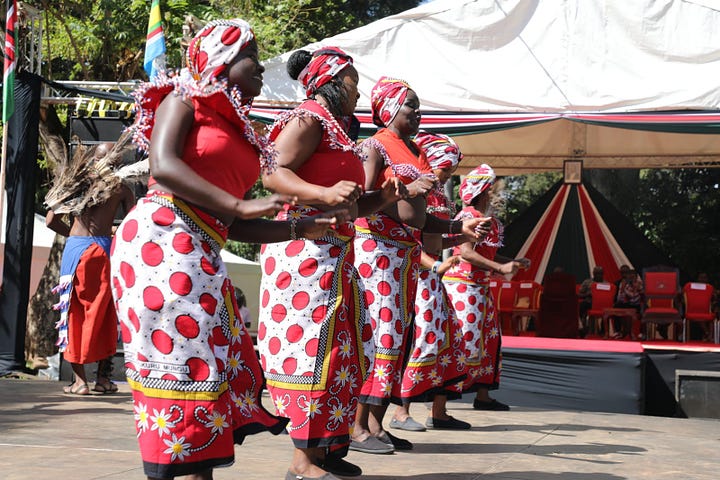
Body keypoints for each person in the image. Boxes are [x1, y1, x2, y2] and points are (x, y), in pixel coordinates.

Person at [109, 19, 345, 480]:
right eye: (249, 54)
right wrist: (241, 203)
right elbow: (164, 164)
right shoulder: (182, 98)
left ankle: (199, 472)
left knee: (208, 363)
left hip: (202, 248)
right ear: (218, 57)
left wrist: (303, 227)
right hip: (161, 238)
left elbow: (234, 224)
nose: (259, 65)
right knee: (180, 364)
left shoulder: (242, 132)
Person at [259, 47, 407, 480]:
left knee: (341, 352)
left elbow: (353, 206)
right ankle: (302, 463)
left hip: (335, 256)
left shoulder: (335, 129)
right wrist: (322, 196)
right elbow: (272, 173)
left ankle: (324, 451)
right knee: (311, 353)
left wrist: (387, 197)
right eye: (354, 83)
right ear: (331, 80)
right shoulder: (306, 119)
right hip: (303, 255)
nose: (358, 92)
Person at [352, 77, 486, 454]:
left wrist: (461, 227)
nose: (418, 111)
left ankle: (376, 425)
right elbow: (360, 199)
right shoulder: (374, 146)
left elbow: (422, 220)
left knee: (397, 339)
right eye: (411, 104)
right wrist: (405, 192)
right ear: (391, 107)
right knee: (380, 337)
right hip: (376, 252)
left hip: (402, 258)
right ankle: (357, 427)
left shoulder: (413, 151)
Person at [389, 131, 472, 431]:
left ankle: (439, 412)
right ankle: (400, 413)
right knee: (419, 341)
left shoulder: (438, 197)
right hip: (421, 274)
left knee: (448, 342)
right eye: (445, 169)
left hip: (435, 276)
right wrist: (435, 264)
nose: (448, 175)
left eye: (451, 170)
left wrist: (466, 235)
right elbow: (411, 238)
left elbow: (438, 235)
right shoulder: (417, 195)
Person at [46, 141, 135, 395]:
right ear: (116, 161)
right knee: (106, 313)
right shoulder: (122, 187)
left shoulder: (76, 181)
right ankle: (103, 380)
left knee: (72, 312)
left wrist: (74, 236)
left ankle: (79, 382)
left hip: (77, 250)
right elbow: (133, 224)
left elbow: (51, 220)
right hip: (105, 249)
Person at [442, 164, 529, 411]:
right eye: (491, 190)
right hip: (463, 288)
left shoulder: (489, 220)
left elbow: (487, 253)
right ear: (482, 192)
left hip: (480, 288)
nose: (494, 195)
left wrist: (511, 262)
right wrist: (500, 269)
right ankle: (440, 405)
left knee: (490, 341)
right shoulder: (468, 217)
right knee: (464, 341)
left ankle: (483, 396)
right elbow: (467, 253)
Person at [614, 268, 644, 339]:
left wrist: (627, 290)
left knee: (644, 309)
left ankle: (642, 332)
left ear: (636, 277)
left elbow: (634, 297)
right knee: (616, 307)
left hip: (636, 304)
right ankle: (618, 331)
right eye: (629, 277)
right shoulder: (624, 283)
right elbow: (620, 298)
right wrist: (623, 290)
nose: (631, 279)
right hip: (626, 303)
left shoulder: (639, 283)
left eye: (633, 277)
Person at [578, 265, 605, 336]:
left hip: (602, 304)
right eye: (597, 273)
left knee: (609, 310)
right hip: (589, 302)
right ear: (593, 274)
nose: (599, 275)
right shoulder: (587, 282)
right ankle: (582, 327)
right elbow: (579, 294)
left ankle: (603, 331)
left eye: (600, 273)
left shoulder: (606, 284)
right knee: (581, 305)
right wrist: (588, 294)